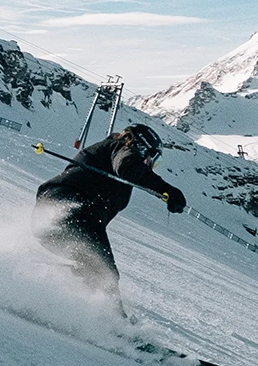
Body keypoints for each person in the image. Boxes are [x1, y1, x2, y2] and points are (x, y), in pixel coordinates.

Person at [34, 123, 185, 299]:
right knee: (105, 272)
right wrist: (166, 189)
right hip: (72, 209)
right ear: (144, 148)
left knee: (90, 266)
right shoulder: (123, 147)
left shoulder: (111, 153)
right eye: (154, 160)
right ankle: (110, 322)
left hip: (52, 216)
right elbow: (126, 166)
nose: (150, 165)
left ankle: (40, 292)